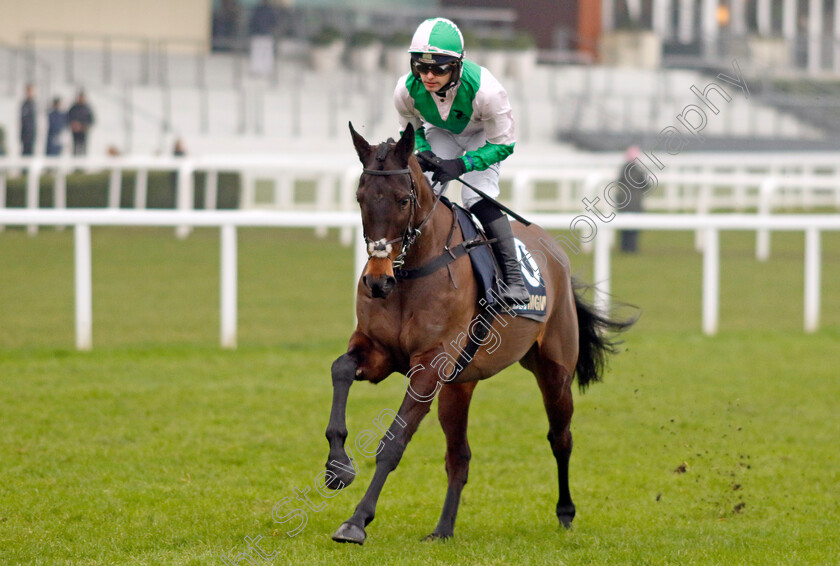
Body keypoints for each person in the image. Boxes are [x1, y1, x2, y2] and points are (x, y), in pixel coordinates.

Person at [393, 17, 529, 306]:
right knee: (420, 191)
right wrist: (424, 150)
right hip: (440, 132)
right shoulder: (405, 91)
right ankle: (397, 266)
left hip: (483, 138)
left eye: (439, 68)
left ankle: (515, 279)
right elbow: (413, 131)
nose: (428, 76)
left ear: (457, 65)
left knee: (475, 197)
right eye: (421, 66)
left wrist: (462, 165)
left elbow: (504, 145)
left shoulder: (488, 92)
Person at [617, 145, 650, 253]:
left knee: (624, 228)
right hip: (635, 203)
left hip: (623, 202)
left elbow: (619, 182)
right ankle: (632, 248)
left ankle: (624, 248)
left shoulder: (623, 170)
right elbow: (646, 185)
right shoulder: (640, 171)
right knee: (634, 228)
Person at [67, 91, 95, 157]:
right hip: (75, 132)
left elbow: (91, 120)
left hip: (83, 132)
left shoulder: (87, 108)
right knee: (75, 148)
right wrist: (73, 125)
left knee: (83, 149)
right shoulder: (73, 108)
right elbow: (68, 118)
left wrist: (83, 126)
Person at [19, 84, 36, 156]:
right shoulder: (25, 104)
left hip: (32, 133)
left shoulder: (34, 104)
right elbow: (23, 120)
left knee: (31, 153)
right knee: (25, 153)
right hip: (25, 134)